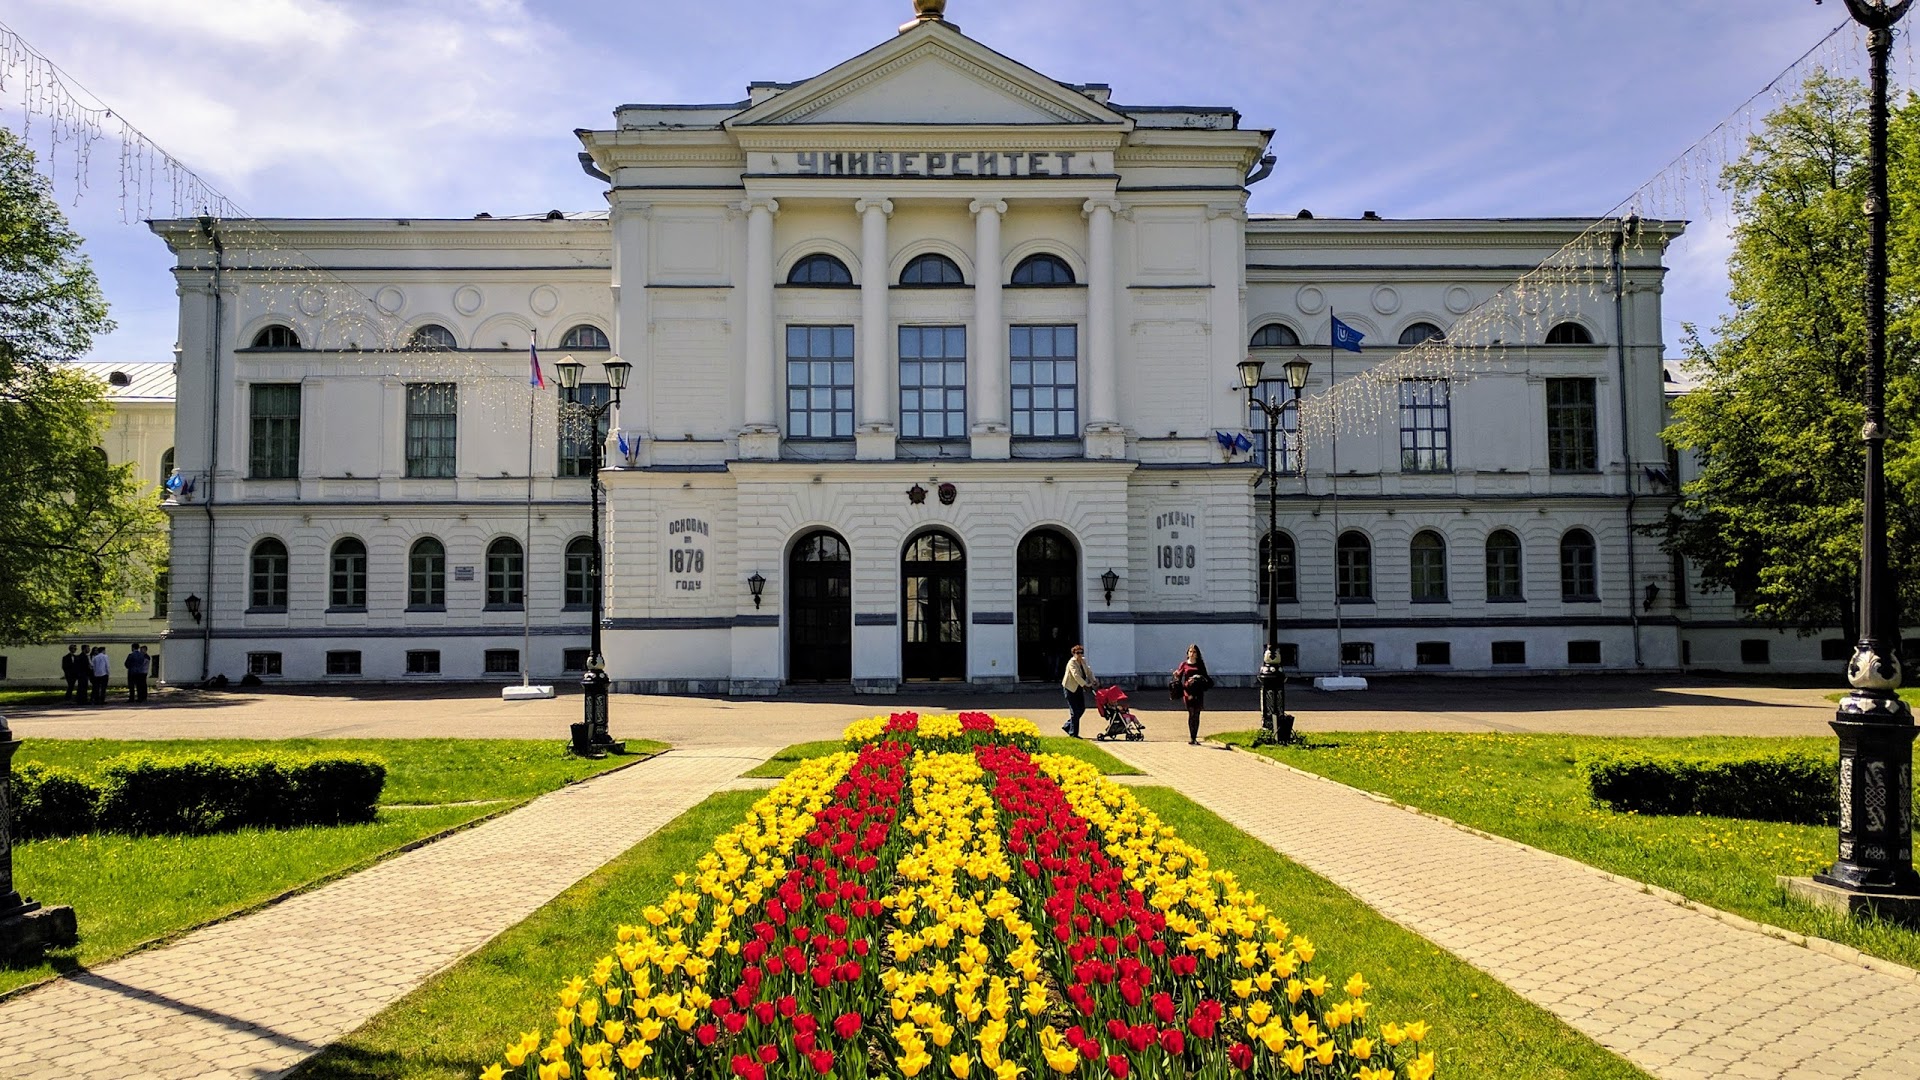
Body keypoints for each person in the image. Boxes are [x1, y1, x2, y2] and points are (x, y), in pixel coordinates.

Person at [1172, 644, 1213, 745]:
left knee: (1197, 714)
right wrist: (1176, 676)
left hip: (1198, 691)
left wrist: (1197, 677)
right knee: (1191, 713)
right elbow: (1179, 677)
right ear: (1187, 653)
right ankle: (1192, 737)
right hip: (1188, 691)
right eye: (1190, 652)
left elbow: (1205, 677)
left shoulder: (1200, 665)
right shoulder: (1184, 664)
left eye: (1194, 652)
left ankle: (1195, 737)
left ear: (1197, 654)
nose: (1192, 654)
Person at [1060, 645, 1094, 738]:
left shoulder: (1083, 661)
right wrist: (1085, 685)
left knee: (1082, 709)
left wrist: (1094, 681)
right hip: (1070, 688)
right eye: (1077, 653)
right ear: (1073, 654)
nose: (1079, 655)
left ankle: (1067, 726)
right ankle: (1074, 734)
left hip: (1078, 688)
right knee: (1074, 711)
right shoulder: (1072, 662)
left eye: (1081, 652)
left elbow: (1089, 672)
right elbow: (1076, 675)